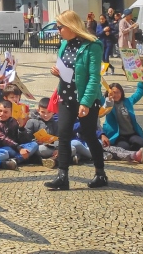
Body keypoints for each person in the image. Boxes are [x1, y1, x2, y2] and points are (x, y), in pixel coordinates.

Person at [46, 10, 107, 190]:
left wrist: (86, 103)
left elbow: (94, 78)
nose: (58, 31)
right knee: (63, 135)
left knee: (89, 135)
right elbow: (66, 68)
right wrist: (57, 72)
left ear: (70, 26)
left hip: (85, 99)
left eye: (60, 27)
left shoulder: (93, 46)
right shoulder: (64, 44)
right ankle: (62, 177)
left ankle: (100, 173)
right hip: (66, 97)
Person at [101, 82, 143, 158]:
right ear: (109, 92)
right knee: (125, 147)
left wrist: (142, 80)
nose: (116, 95)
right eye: (114, 92)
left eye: (119, 92)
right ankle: (134, 154)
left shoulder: (128, 101)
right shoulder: (107, 103)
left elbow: (139, 92)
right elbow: (98, 94)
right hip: (118, 136)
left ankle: (135, 153)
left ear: (122, 92)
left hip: (131, 134)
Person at [0, 100, 38, 167]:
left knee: (34, 144)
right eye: (0, 111)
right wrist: (19, 148)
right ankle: (25, 158)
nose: (2, 114)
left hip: (15, 147)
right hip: (3, 148)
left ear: (11, 113)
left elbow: (22, 139)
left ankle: (16, 160)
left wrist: (21, 127)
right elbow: (3, 139)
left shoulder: (13, 120)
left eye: (5, 112)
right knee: (7, 151)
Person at [24, 98, 62, 168]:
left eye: (49, 112)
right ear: (38, 110)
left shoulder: (55, 123)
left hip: (52, 147)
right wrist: (36, 141)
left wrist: (57, 148)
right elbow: (26, 138)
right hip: (39, 147)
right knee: (42, 149)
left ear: (53, 112)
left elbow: (58, 138)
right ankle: (56, 159)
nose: (46, 115)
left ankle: (53, 159)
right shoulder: (32, 121)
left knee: (71, 148)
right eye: (43, 112)